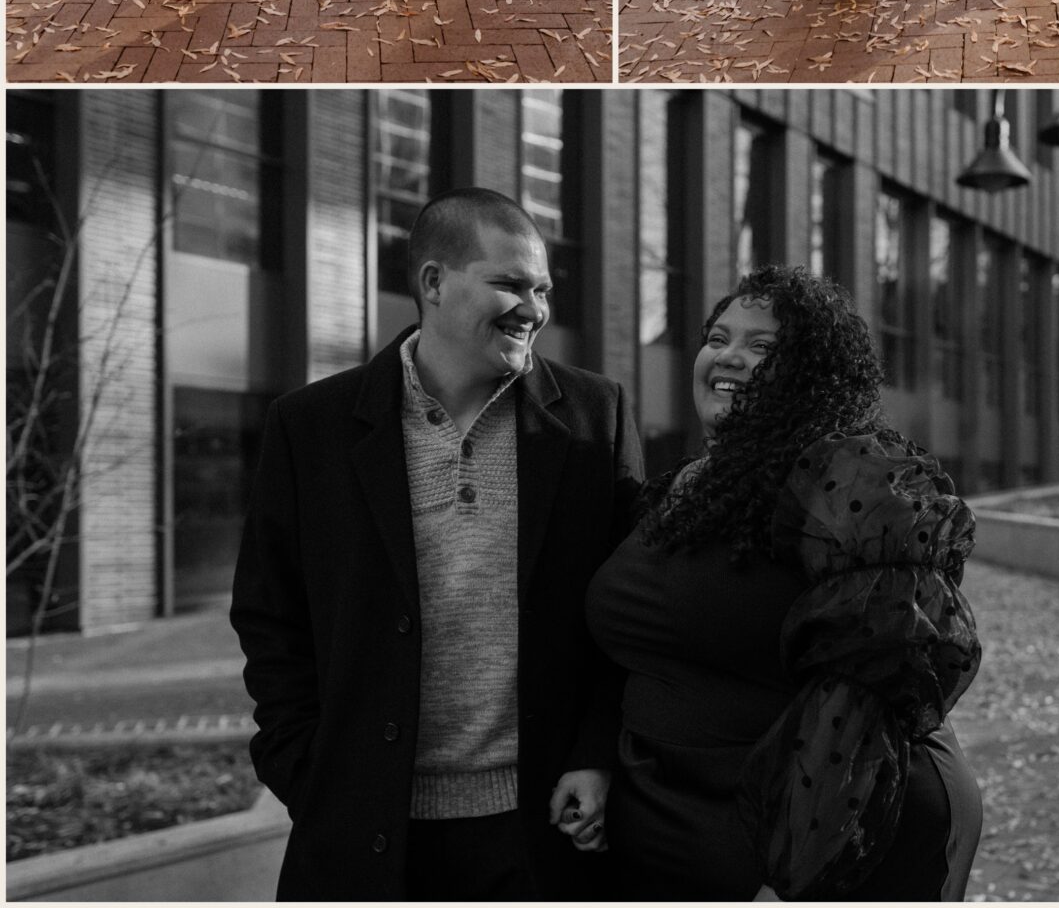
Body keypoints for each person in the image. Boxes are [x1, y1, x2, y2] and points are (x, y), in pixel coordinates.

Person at [231, 187, 644, 903]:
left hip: (543, 827)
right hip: (365, 831)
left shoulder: (593, 416)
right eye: (509, 284)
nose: (534, 309)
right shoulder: (311, 426)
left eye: (541, 289)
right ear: (432, 282)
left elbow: (628, 613)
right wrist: (306, 772)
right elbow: (271, 615)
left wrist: (596, 753)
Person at [573, 265, 983, 902]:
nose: (729, 357)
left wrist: (796, 875)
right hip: (672, 822)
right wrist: (595, 757)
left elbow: (869, 686)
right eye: (718, 337)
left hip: (823, 832)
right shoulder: (683, 487)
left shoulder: (849, 480)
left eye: (763, 348)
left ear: (814, 373)